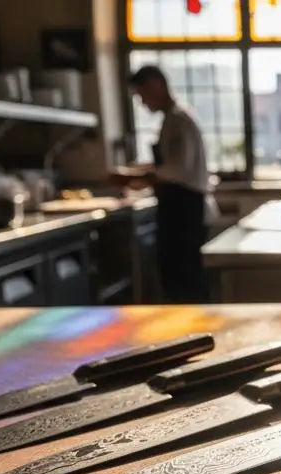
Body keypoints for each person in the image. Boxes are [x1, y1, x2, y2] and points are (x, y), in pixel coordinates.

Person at [114, 65, 211, 303]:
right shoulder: (171, 120)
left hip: (184, 212)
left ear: (156, 85)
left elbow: (178, 169)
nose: (142, 102)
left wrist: (136, 178)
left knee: (184, 279)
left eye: (142, 94)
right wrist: (140, 172)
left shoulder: (179, 120)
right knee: (176, 277)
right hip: (177, 209)